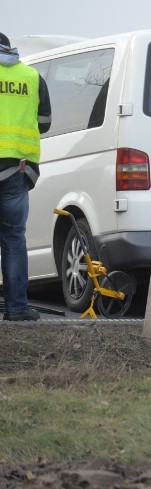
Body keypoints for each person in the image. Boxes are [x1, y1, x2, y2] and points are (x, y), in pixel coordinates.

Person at [0, 32, 51, 321]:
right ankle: (17, 308)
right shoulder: (31, 77)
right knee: (13, 238)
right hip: (17, 169)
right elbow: (44, 122)